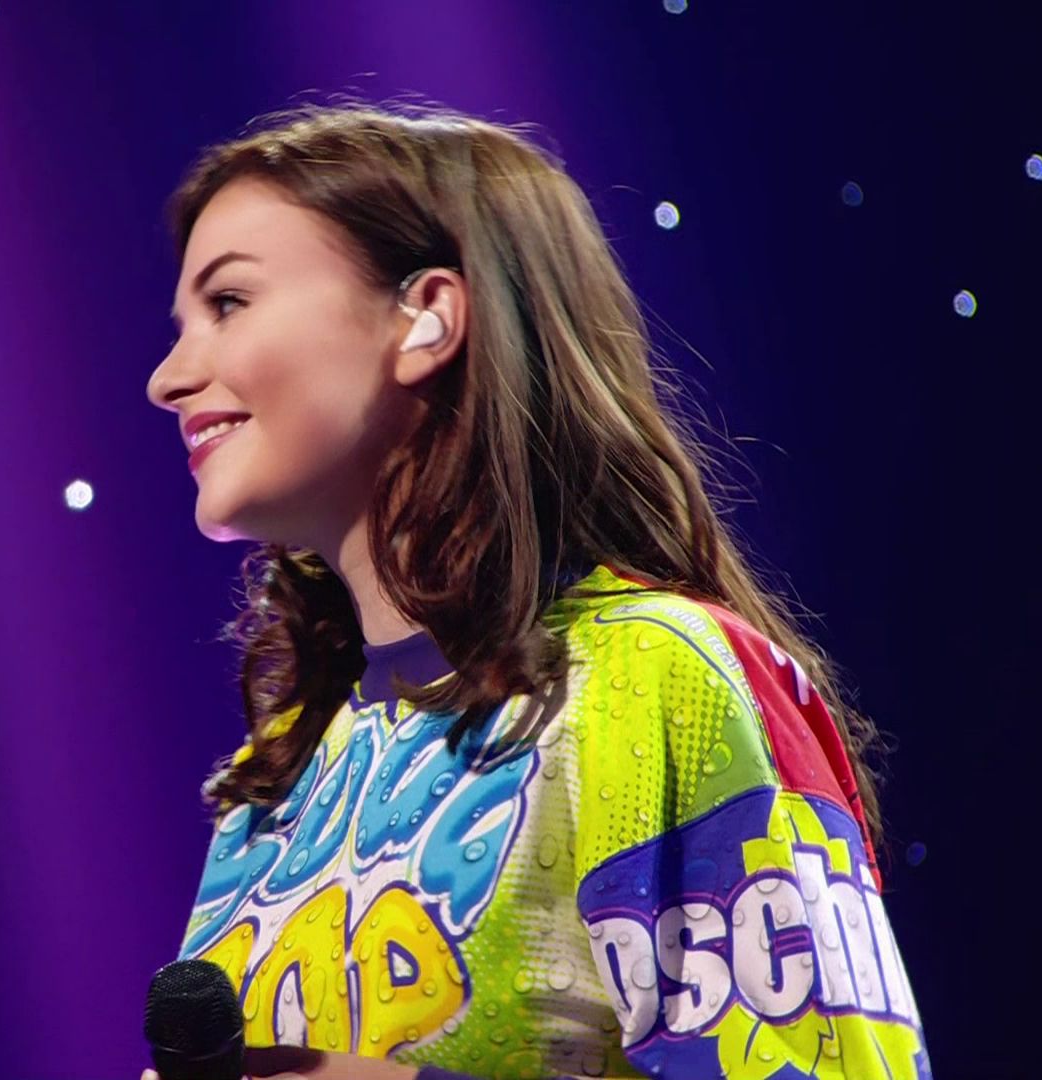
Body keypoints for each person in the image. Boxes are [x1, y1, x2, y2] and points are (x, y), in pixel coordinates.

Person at [141, 101, 930, 1080]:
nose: (167, 379)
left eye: (228, 302)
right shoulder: (283, 767)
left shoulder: (659, 679)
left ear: (428, 317)